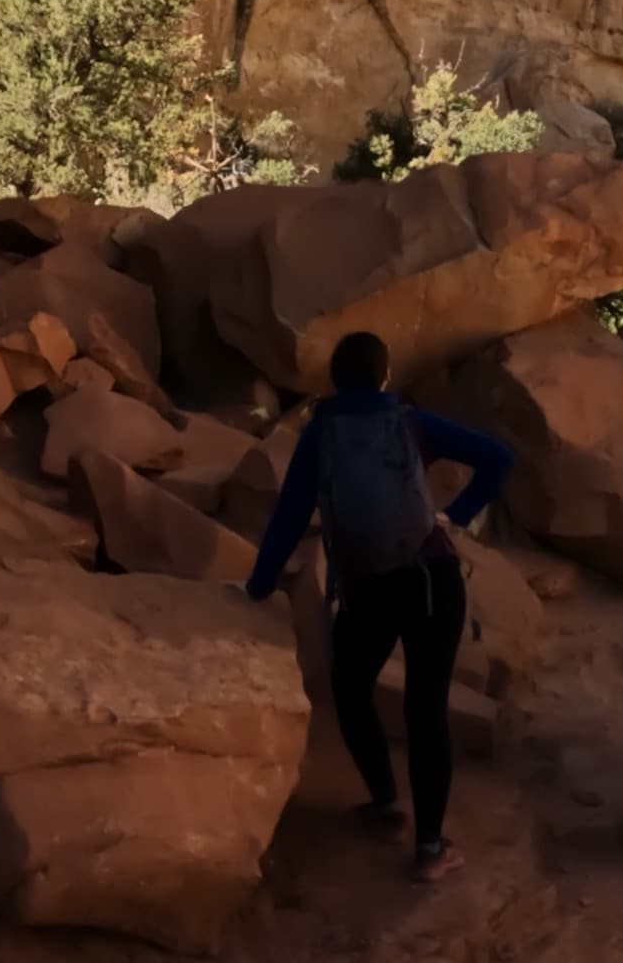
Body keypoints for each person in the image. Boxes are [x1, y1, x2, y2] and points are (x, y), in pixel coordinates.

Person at [241, 330, 516, 883]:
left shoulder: (321, 433)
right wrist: (454, 515)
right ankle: (432, 849)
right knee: (425, 710)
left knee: (350, 687)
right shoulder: (410, 422)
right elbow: (498, 459)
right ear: (385, 375)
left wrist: (258, 585)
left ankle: (387, 809)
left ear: (335, 381)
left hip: (368, 585)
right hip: (431, 579)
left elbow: (290, 516)